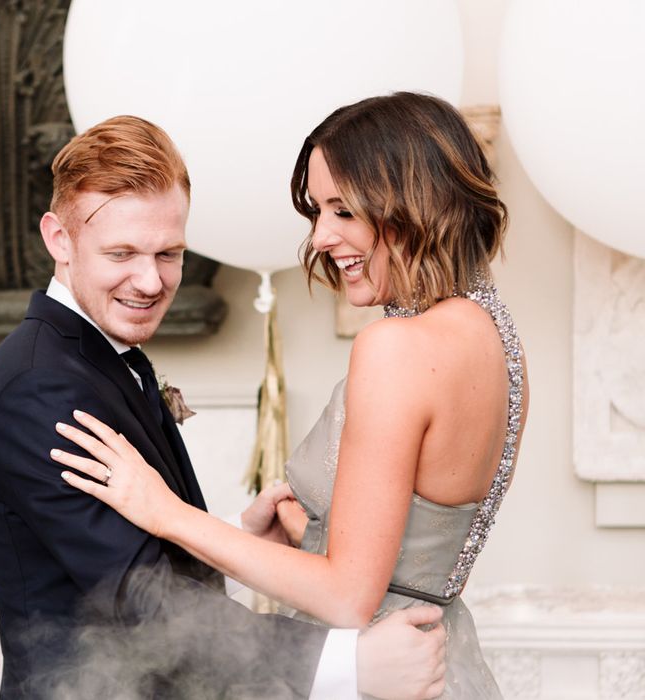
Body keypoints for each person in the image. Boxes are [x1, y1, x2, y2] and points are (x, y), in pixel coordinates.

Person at [0, 114, 447, 699]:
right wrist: (346, 664)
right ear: (59, 239)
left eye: (168, 253)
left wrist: (240, 538)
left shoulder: (100, 357)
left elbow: (140, 558)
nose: (149, 281)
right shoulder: (38, 389)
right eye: (122, 253)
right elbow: (142, 601)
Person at [54, 93, 530, 698]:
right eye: (316, 211)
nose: (322, 236)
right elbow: (422, 539)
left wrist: (165, 512)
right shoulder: (494, 335)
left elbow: (349, 595)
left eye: (342, 209)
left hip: (378, 671)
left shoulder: (396, 347)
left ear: (412, 200)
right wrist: (309, 529)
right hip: (445, 660)